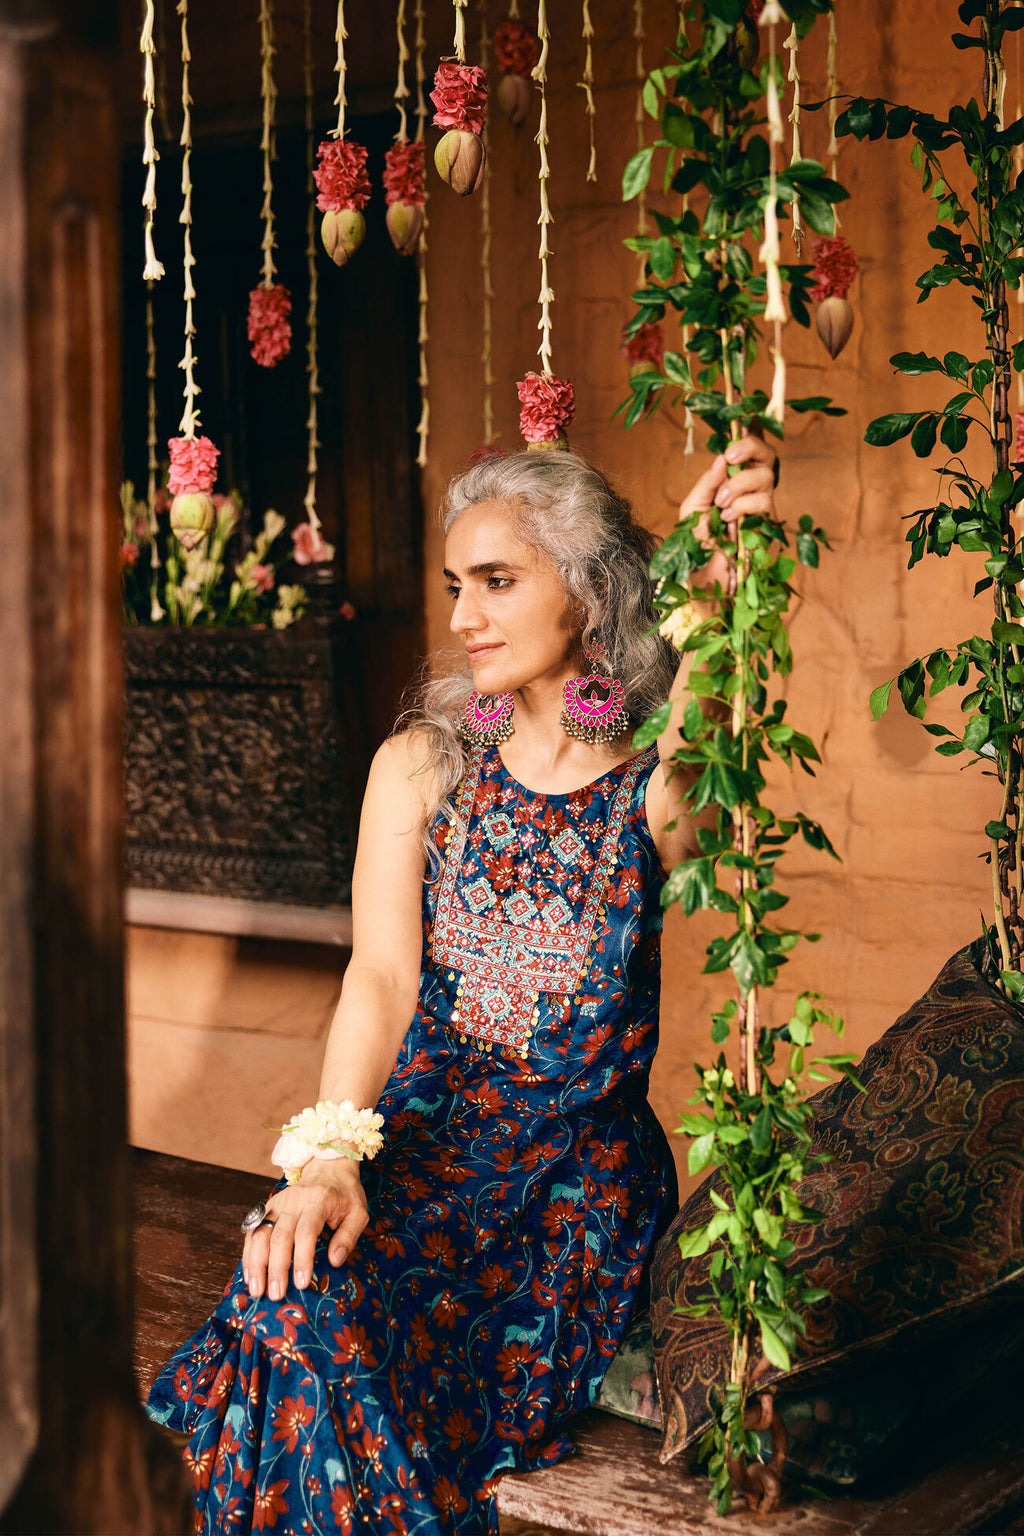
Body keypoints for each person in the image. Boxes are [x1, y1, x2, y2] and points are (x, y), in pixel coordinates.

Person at [147, 433, 778, 1535]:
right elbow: (383, 978)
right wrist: (331, 1157)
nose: (462, 617)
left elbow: (696, 777)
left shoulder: (646, 784)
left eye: (497, 581)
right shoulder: (423, 766)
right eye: (456, 585)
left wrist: (716, 598)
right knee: (286, 1289)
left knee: (311, 1346)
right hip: (423, 1141)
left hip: (574, 1181)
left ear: (584, 592)